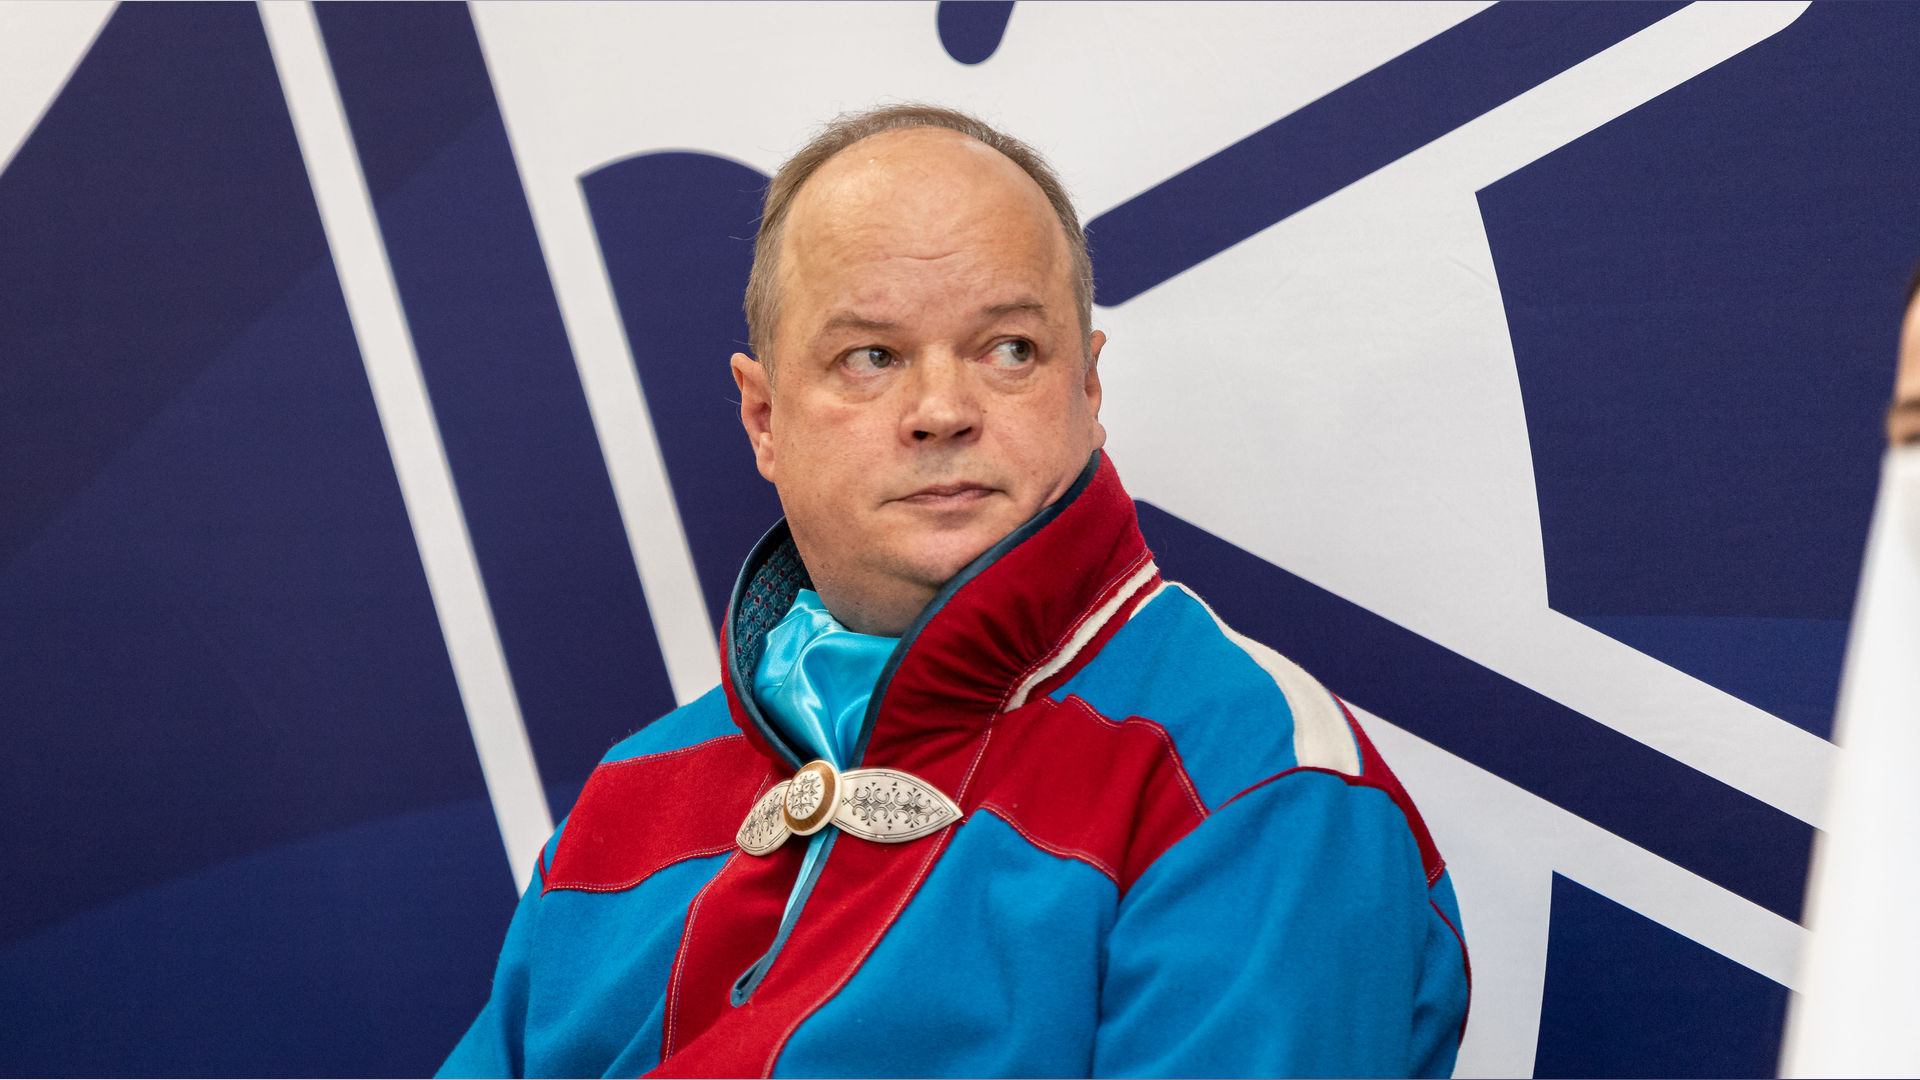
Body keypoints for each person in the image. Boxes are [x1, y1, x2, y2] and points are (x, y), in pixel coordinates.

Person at [439, 104, 1469, 1079]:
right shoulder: (626, 799)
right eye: (871, 356)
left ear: (1088, 388)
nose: (941, 409)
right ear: (764, 418)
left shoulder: (1248, 774)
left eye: (1009, 349)